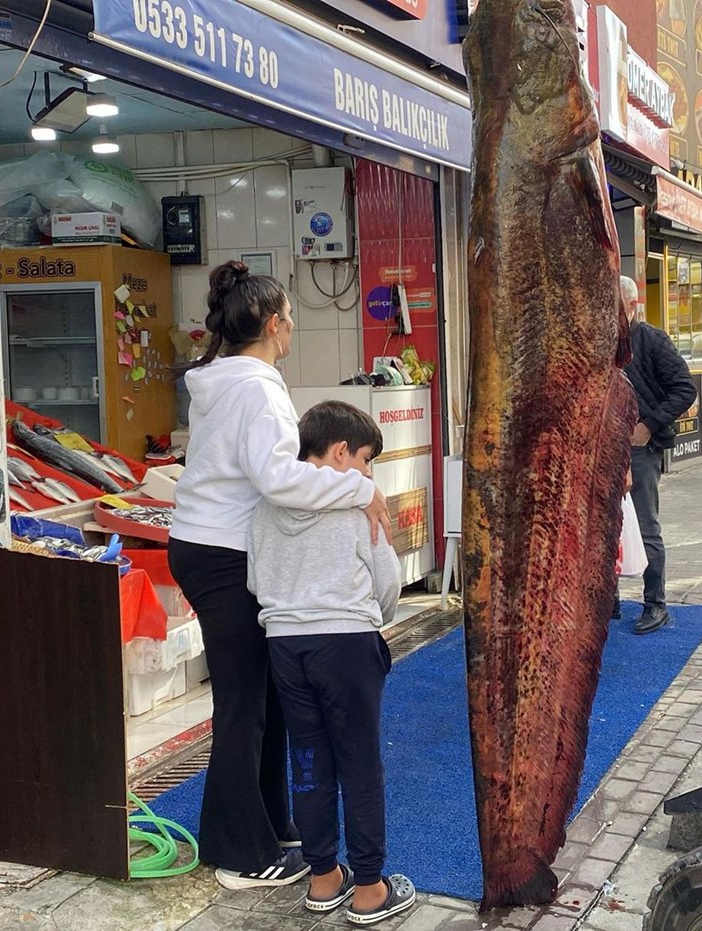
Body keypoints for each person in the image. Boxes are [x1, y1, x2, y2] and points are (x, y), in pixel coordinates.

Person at [167, 261, 391, 890]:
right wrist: (357, 489)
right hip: (222, 553)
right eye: (290, 317)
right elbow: (277, 479)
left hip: (205, 545)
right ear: (271, 324)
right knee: (244, 705)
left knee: (263, 697)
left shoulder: (224, 380)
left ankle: (271, 823)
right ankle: (239, 850)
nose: (293, 327)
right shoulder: (257, 387)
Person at [248, 401, 416, 924]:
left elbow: (255, 579)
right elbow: (387, 585)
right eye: (366, 460)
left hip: (284, 644)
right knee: (359, 764)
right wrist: (368, 616)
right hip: (346, 642)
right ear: (340, 451)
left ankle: (323, 878)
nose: (369, 475)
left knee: (308, 761)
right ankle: (369, 888)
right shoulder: (357, 505)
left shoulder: (266, 505)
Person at [619, 276, 697, 634]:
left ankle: (655, 603)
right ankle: (607, 600)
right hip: (606, 448)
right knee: (603, 527)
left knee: (645, 525)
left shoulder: (651, 339)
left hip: (640, 448)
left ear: (631, 306)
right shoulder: (600, 341)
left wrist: (649, 424)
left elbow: (684, 389)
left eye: (614, 305)